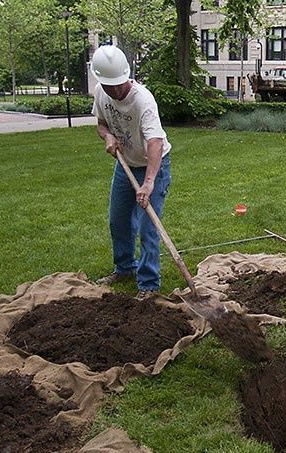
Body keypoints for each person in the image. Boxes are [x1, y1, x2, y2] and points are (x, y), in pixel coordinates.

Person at [90, 45, 172, 300]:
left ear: (127, 75)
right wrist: (107, 137)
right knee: (119, 221)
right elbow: (101, 123)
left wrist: (148, 183)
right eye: (108, 85)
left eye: (118, 84)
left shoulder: (142, 99)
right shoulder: (101, 93)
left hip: (152, 166)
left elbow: (155, 142)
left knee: (148, 227)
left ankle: (148, 284)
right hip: (125, 165)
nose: (114, 91)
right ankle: (125, 268)